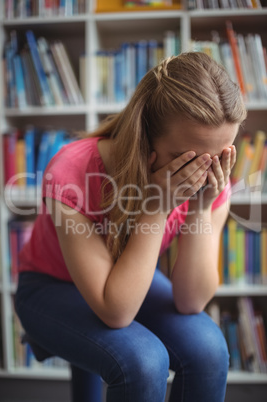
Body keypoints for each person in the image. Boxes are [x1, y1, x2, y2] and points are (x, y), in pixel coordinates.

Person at [15, 52, 247, 402]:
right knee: (142, 362)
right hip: (51, 284)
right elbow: (117, 311)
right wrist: (156, 207)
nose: (202, 174)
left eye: (217, 158)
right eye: (187, 159)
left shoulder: (211, 183)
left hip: (125, 275)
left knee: (209, 350)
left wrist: (200, 209)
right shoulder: (72, 172)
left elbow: (191, 301)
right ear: (145, 140)